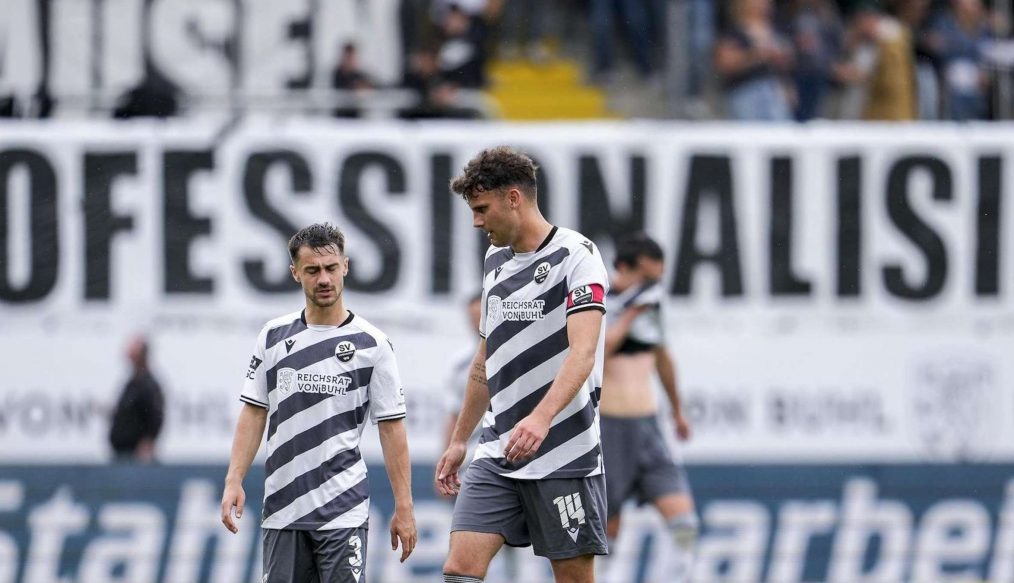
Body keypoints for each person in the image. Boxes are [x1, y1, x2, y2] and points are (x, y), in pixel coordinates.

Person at [436, 146, 610, 583]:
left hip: (564, 450)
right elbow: (485, 355)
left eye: (481, 208)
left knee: (572, 578)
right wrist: (460, 439)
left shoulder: (577, 256)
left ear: (513, 198)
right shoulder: (495, 261)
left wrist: (541, 418)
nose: (476, 221)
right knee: (460, 568)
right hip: (499, 447)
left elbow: (583, 353)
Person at [220, 223, 417, 582]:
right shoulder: (274, 337)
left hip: (343, 510)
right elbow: (253, 412)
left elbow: (391, 428)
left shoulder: (372, 344)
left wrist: (404, 505)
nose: (323, 279)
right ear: (296, 273)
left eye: (331, 268)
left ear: (346, 266)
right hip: (282, 510)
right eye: (312, 270)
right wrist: (234, 479)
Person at [597, 233, 697, 583]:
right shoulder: (599, 305)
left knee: (684, 523)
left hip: (648, 426)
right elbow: (597, 353)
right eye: (648, 278)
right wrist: (630, 313)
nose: (654, 286)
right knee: (606, 529)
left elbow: (661, 357)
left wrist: (677, 409)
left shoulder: (651, 308)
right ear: (624, 268)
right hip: (610, 428)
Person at [108, 335, 165, 462]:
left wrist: (148, 441)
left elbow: (156, 415)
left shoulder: (148, 384)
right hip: (123, 452)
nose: (128, 354)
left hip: (135, 456)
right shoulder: (133, 382)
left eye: (132, 351)